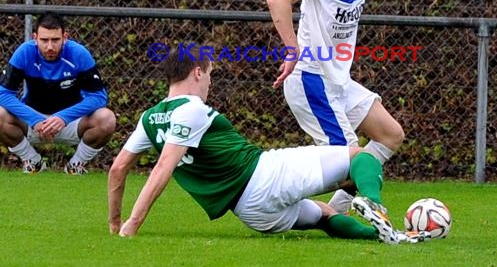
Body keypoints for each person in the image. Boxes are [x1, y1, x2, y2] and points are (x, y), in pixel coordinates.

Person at [266, 0, 482, 211]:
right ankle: (272, 196)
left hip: (338, 81)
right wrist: (291, 49)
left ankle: (335, 212)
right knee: (348, 161)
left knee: (390, 135)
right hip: (311, 79)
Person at [107, 47, 430, 244]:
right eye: (209, 74)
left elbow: (119, 168)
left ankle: (386, 236)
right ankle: (374, 204)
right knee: (359, 156)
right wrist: (133, 224)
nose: (210, 81)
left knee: (324, 215)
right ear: (196, 72)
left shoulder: (151, 117)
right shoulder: (191, 109)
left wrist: (114, 222)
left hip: (249, 212)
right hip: (264, 176)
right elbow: (163, 167)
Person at [0, 12, 116, 174]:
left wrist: (63, 117)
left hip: (72, 122)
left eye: (55, 40)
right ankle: (33, 163)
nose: (49, 46)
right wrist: (34, 119)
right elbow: (3, 94)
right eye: (44, 40)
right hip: (34, 122)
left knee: (107, 119)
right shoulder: (25, 52)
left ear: (65, 37)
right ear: (35, 38)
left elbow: (98, 97)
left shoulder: (79, 54)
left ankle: (75, 166)